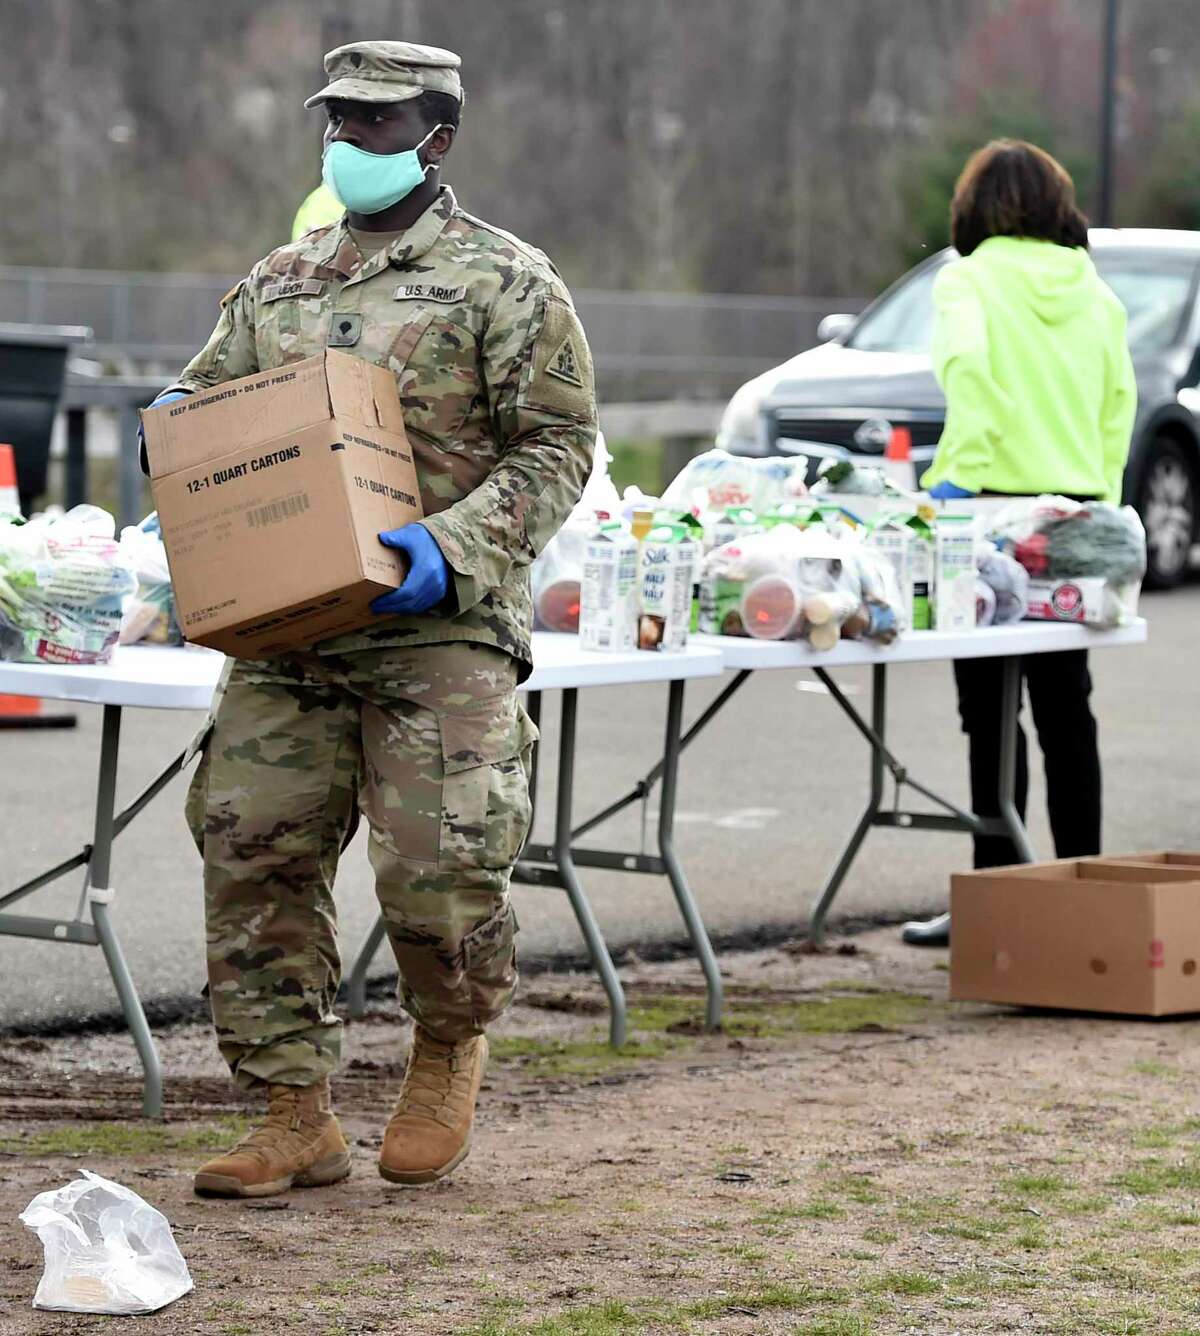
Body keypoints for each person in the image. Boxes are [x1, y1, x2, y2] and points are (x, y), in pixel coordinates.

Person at [143, 40, 596, 1194]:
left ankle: (447, 1048)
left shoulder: (507, 280)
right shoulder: (280, 279)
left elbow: (558, 446)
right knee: (252, 850)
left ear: (437, 138)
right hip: (289, 631)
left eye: (375, 123)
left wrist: (455, 546)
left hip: (436, 626)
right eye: (336, 121)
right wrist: (178, 427)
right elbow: (210, 398)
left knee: (442, 872)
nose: (347, 141)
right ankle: (291, 1111)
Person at [903, 139, 1136, 947]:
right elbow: (1118, 402)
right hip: (1074, 515)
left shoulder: (967, 279)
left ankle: (996, 904)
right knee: (1068, 710)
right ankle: (1084, 894)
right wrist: (1100, 502)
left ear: (973, 208)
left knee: (991, 715)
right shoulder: (1094, 291)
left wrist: (956, 484)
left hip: (989, 515)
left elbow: (970, 375)